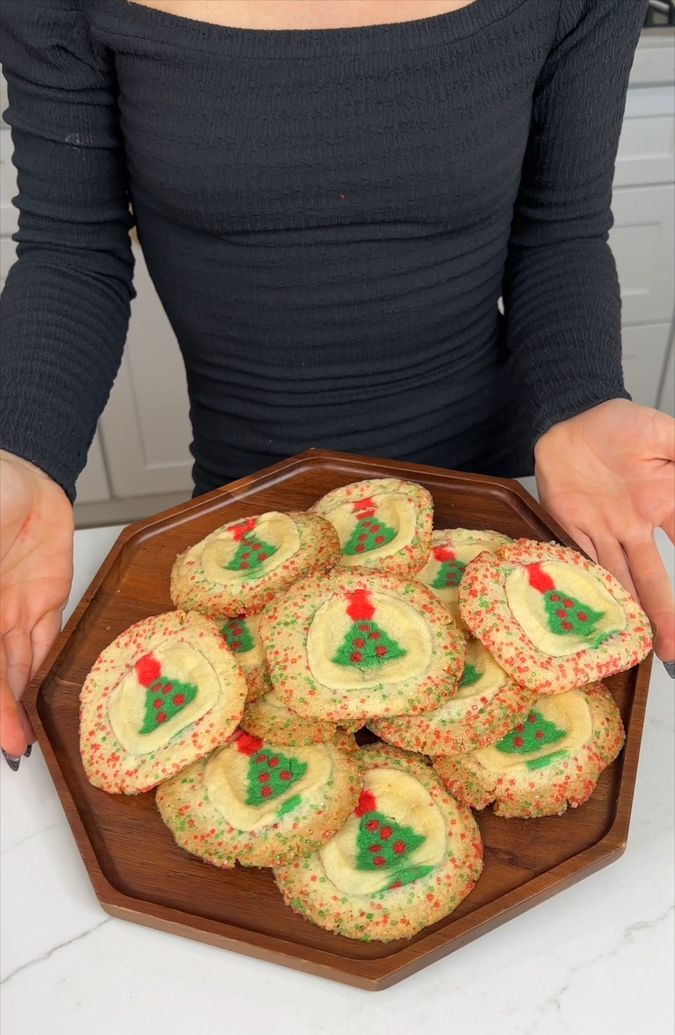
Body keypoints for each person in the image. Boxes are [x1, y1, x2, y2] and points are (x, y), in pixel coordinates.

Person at [1, 0, 673, 767]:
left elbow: (559, 231)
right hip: (247, 528)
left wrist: (583, 398)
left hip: (495, 513)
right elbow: (69, 248)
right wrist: (19, 456)